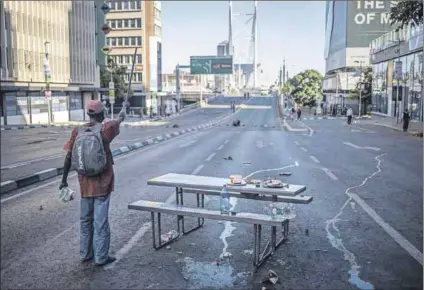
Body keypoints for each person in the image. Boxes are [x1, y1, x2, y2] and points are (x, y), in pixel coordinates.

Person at [59, 100, 127, 266]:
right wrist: (121, 115)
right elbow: (118, 120)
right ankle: (101, 257)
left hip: (84, 184)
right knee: (100, 222)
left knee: (85, 220)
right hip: (102, 183)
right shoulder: (106, 129)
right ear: (101, 114)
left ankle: (85, 254)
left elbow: (69, 157)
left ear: (89, 114)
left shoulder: (78, 131)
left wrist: (63, 180)